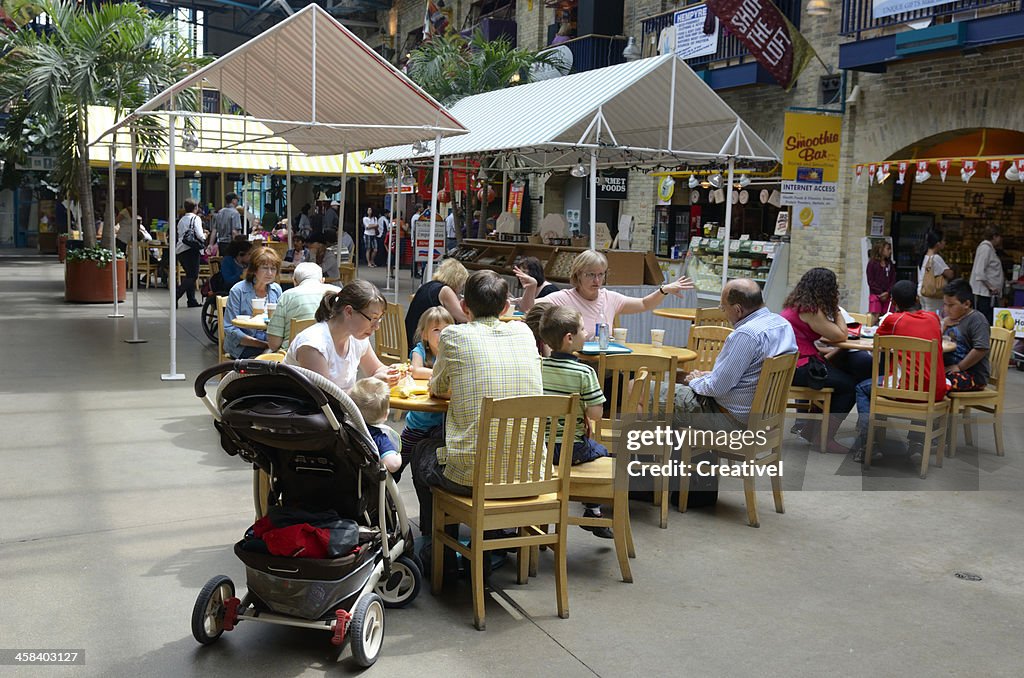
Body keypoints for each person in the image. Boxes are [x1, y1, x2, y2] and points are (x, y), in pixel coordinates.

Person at [412, 270, 543, 557]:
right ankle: (493, 542)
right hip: (530, 472)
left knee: (422, 450)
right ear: (506, 307)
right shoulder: (524, 332)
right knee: (496, 444)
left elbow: (437, 385)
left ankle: (438, 551)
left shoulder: (453, 336)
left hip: (473, 477)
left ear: (464, 307)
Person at [670, 278, 797, 421]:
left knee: (649, 391)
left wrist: (693, 381)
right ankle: (678, 442)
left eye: (723, 308)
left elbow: (716, 389)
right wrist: (710, 376)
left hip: (729, 415)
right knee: (674, 385)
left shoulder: (747, 334)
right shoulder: (782, 324)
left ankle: (656, 442)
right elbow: (751, 373)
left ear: (738, 309)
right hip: (764, 415)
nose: (724, 313)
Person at [850, 280, 947, 463]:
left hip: (905, 388)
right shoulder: (934, 318)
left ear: (893, 302)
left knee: (862, 388)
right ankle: (917, 444)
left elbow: (877, 343)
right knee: (921, 381)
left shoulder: (894, 320)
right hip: (935, 390)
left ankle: (868, 446)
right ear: (917, 298)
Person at [538, 305, 613, 539]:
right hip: (571, 449)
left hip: (539, 448)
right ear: (570, 338)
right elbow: (595, 415)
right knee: (603, 452)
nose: (586, 333)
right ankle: (593, 511)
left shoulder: (537, 367)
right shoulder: (585, 373)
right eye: (582, 329)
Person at [781, 267, 870, 454]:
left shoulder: (796, 303)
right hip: (800, 367)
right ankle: (823, 438)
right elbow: (841, 334)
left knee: (840, 376)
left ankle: (811, 431)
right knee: (849, 385)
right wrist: (836, 309)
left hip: (789, 364)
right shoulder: (810, 310)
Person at [518, 250, 694, 339]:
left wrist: (664, 290)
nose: (597, 280)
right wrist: (531, 287)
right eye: (590, 274)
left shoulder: (609, 297)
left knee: (635, 383)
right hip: (579, 365)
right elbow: (529, 309)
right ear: (578, 274)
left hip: (605, 363)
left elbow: (643, 304)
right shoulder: (563, 298)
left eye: (601, 274)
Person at [283, 280, 399, 392]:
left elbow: (375, 369)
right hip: (307, 409)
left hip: (337, 410)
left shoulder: (357, 338)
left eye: (379, 319)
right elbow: (326, 399)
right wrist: (370, 384)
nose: (376, 326)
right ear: (348, 312)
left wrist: (393, 373)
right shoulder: (313, 345)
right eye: (373, 318)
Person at [401, 306, 454, 456]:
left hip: (441, 424)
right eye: (436, 330)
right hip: (419, 423)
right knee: (401, 458)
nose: (443, 333)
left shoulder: (453, 353)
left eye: (447, 328)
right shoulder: (420, 351)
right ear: (424, 334)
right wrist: (441, 376)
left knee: (432, 463)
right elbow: (416, 371)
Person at [223, 247, 283, 359]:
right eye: (265, 268)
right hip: (243, 344)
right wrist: (263, 345)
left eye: (273, 269)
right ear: (254, 270)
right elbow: (230, 328)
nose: (269, 273)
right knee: (265, 362)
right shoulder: (238, 290)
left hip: (270, 341)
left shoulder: (276, 290)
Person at [266, 262, 340, 352]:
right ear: (322, 280)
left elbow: (274, 343)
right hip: (332, 354)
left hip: (292, 358)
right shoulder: (338, 292)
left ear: (294, 281)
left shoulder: (287, 296)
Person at [404, 258, 469, 348]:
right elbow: (463, 317)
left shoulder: (428, 285)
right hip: (422, 345)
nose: (461, 289)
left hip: (410, 338)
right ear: (457, 280)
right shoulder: (445, 290)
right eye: (462, 285)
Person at [941, 278, 991, 393]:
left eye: (951, 305)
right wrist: (943, 326)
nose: (946, 309)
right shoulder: (949, 319)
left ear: (966, 304)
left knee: (936, 382)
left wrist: (959, 367)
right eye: (945, 305)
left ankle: (941, 410)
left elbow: (981, 348)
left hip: (972, 375)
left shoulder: (977, 320)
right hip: (949, 368)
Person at [348, 378, 403, 475]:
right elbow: (393, 465)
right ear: (386, 415)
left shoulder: (346, 427)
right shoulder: (378, 437)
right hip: (368, 483)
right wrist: (398, 455)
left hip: (349, 474)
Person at [174, 199, 206, 308]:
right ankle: (176, 295)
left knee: (189, 275)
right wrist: (205, 237)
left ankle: (191, 300)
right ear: (195, 208)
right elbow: (199, 234)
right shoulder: (196, 218)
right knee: (193, 275)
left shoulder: (181, 219)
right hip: (191, 250)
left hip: (181, 250)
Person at [969, 227, 1004, 324]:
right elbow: (979, 272)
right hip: (984, 294)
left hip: (989, 294)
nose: (1000, 240)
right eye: (999, 237)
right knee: (985, 320)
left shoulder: (989, 249)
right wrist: (991, 287)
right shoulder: (985, 249)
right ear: (994, 236)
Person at [919, 230, 955, 314]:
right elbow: (950, 274)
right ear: (937, 243)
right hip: (932, 293)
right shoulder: (935, 258)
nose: (945, 243)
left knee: (925, 315)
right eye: (943, 241)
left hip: (922, 291)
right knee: (934, 316)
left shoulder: (923, 256)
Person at [866, 241, 896, 317]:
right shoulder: (872, 264)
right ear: (880, 249)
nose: (890, 251)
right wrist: (880, 293)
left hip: (887, 295)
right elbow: (871, 281)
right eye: (888, 249)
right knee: (875, 315)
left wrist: (888, 292)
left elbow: (893, 279)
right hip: (876, 294)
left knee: (887, 316)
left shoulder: (889, 264)